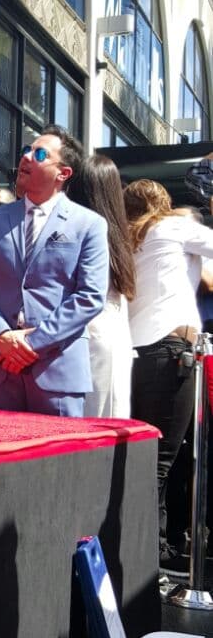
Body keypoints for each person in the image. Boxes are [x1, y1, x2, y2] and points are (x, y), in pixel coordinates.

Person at [0, 127, 108, 417]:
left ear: (63, 173)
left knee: (60, 462)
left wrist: (31, 342)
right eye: (26, 151)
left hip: (57, 368)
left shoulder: (88, 224)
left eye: (39, 154)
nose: (26, 157)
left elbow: (90, 296)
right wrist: (2, 336)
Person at [123, 179, 213, 570]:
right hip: (171, 351)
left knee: (146, 459)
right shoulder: (173, 227)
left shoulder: (126, 239)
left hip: (134, 354)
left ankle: (149, 551)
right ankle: (149, 560)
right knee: (162, 463)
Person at [67, 154, 135, 418]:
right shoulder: (118, 236)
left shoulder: (84, 230)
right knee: (110, 419)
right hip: (115, 335)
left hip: (86, 334)